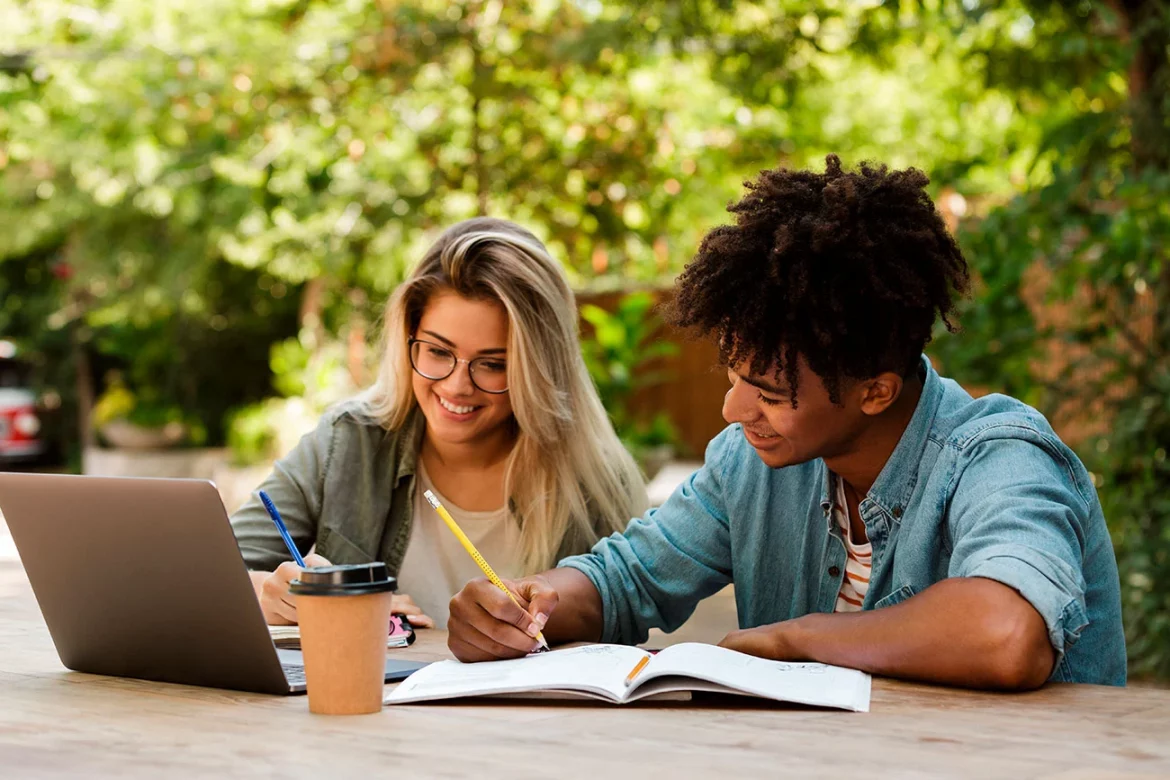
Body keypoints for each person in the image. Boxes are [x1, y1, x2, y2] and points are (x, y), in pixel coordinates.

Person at [447, 156, 1127, 689]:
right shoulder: (751, 464)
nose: (734, 410)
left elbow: (1006, 634)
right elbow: (627, 579)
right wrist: (530, 602)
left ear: (875, 391)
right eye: (733, 375)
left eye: (769, 392)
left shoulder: (1002, 458)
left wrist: (792, 641)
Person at [231, 217, 647, 629]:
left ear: (539, 368)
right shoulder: (349, 442)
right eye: (437, 351)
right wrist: (266, 594)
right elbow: (201, 573)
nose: (457, 385)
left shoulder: (594, 485)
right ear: (408, 334)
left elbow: (616, 644)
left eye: (492, 364)